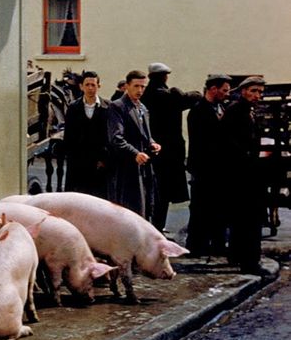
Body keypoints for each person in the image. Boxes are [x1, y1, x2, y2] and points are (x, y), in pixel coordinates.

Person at [142, 62, 201, 232]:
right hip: (168, 152)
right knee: (164, 193)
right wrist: (177, 91)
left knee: (153, 191)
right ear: (165, 76)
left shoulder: (147, 95)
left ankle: (152, 226)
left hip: (151, 148)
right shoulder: (167, 95)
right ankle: (158, 227)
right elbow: (194, 97)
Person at [221, 75, 267, 275]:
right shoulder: (235, 112)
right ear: (243, 91)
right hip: (241, 174)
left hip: (248, 172)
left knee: (244, 219)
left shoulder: (248, 111)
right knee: (247, 220)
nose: (258, 95)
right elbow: (229, 143)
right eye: (254, 91)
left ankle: (239, 256)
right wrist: (247, 160)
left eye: (260, 92)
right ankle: (249, 262)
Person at [185, 73, 232, 257]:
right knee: (200, 208)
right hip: (204, 168)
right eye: (224, 90)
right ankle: (197, 245)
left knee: (219, 208)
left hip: (219, 168)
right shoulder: (198, 111)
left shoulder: (220, 107)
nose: (227, 94)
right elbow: (203, 142)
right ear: (213, 89)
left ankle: (218, 244)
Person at [106, 70, 161, 219]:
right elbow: (116, 138)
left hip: (144, 167)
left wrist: (152, 143)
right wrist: (134, 153)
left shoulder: (142, 108)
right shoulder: (118, 107)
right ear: (127, 86)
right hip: (126, 168)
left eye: (143, 87)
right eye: (136, 86)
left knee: (147, 208)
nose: (140, 90)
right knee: (130, 212)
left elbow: (145, 135)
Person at [63, 71, 110, 198]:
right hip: (78, 165)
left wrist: (104, 159)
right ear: (81, 86)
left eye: (93, 85)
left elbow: (111, 136)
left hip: (100, 165)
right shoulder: (73, 107)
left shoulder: (108, 107)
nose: (90, 88)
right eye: (87, 84)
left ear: (98, 86)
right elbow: (68, 137)